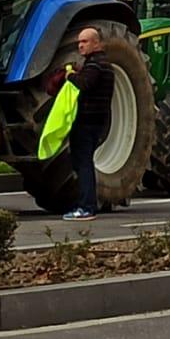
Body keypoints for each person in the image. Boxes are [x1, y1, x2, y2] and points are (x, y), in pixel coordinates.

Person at [63, 25, 112, 220]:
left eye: (84, 42)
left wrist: (70, 76)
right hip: (98, 121)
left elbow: (85, 84)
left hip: (87, 121)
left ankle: (86, 206)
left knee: (83, 164)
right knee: (85, 163)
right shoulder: (105, 65)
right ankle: (87, 203)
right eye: (79, 43)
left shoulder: (95, 65)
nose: (80, 46)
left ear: (96, 43)